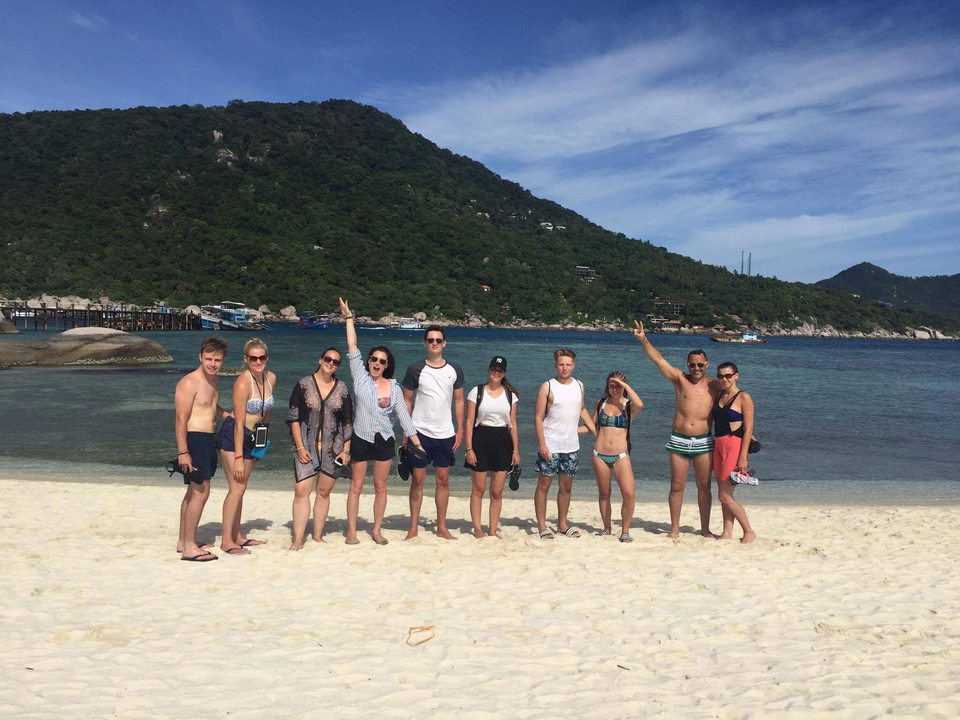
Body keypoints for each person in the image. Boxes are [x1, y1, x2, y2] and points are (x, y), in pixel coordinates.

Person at [339, 298, 425, 545]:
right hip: (361, 436)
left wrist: (417, 443)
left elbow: (405, 418)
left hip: (385, 439)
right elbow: (352, 344)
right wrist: (348, 318)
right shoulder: (360, 377)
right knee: (356, 486)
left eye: (382, 361)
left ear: (388, 365)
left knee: (380, 487)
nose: (377, 363)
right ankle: (352, 532)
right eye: (374, 359)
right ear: (368, 361)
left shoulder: (395, 388)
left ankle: (376, 530)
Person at [634, 320, 720, 538]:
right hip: (679, 440)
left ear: (707, 365)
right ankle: (674, 529)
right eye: (693, 365)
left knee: (704, 488)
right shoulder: (679, 379)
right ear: (688, 364)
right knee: (676, 486)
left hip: (703, 441)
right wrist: (644, 339)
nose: (696, 368)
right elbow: (658, 360)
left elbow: (735, 402)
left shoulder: (715, 386)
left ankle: (705, 528)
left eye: (700, 365)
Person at [402, 326, 465, 540]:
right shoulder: (415, 368)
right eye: (431, 340)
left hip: (445, 434)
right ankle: (413, 527)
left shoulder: (454, 369)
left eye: (438, 340)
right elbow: (406, 401)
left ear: (444, 343)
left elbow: (459, 401)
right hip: (419, 433)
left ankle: (442, 527)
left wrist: (460, 429)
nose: (435, 343)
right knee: (417, 479)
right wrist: (407, 431)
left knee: (443, 480)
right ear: (425, 343)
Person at [287, 347, 353, 549]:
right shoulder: (304, 385)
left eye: (335, 362)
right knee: (301, 491)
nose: (331, 363)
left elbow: (348, 421)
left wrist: (346, 451)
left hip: (333, 450)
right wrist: (299, 447)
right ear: (320, 359)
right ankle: (298, 539)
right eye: (328, 359)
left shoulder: (342, 388)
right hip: (306, 447)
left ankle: (317, 535)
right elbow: (294, 418)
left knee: (324, 492)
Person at [174, 336, 231, 562]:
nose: (212, 364)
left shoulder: (212, 381)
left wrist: (227, 415)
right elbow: (180, 419)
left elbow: (210, 406)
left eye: (217, 360)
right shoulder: (190, 382)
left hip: (209, 439)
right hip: (195, 439)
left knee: (193, 492)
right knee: (201, 491)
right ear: (200, 357)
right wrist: (183, 452)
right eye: (208, 359)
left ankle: (183, 541)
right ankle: (189, 547)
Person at [216, 338, 274, 554]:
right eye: (253, 358)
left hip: (253, 437)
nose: (258, 362)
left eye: (261, 357)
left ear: (266, 357)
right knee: (236, 488)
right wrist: (239, 458)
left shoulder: (270, 379)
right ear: (246, 359)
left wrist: (261, 446)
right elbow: (239, 424)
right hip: (233, 437)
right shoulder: (242, 383)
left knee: (242, 488)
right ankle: (226, 540)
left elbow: (266, 415)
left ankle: (238, 535)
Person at [534, 348, 598, 539]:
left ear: (573, 366)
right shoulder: (548, 386)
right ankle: (542, 526)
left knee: (566, 487)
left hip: (571, 446)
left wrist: (596, 431)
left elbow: (582, 410)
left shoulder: (579, 385)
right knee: (543, 486)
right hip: (551, 445)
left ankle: (562, 524)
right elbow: (538, 418)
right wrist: (542, 444)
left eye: (568, 364)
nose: (564, 368)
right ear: (555, 365)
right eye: (561, 364)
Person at [465, 356, 521, 538]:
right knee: (479, 489)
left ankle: (493, 530)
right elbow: (469, 421)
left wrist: (516, 451)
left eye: (500, 370)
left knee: (496, 491)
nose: (496, 372)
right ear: (489, 370)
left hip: (503, 440)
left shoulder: (510, 395)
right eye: (493, 369)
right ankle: (478, 529)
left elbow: (512, 423)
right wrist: (469, 448)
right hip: (481, 438)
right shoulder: (477, 391)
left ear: (504, 373)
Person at [591, 372, 643, 542]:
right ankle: (607, 528)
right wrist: (568, 431)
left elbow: (640, 404)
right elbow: (591, 426)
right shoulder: (601, 403)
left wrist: (625, 386)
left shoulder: (628, 406)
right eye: (611, 385)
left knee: (628, 494)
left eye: (618, 385)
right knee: (604, 493)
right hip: (600, 455)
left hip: (621, 456)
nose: (614, 389)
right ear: (607, 386)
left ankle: (625, 530)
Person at [712, 362, 757, 544]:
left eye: (728, 376)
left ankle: (748, 531)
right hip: (718, 445)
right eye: (721, 376)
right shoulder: (719, 394)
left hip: (734, 446)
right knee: (723, 492)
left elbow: (748, 428)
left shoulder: (743, 397)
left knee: (724, 495)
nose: (725, 379)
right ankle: (727, 532)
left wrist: (743, 456)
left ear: (736, 376)